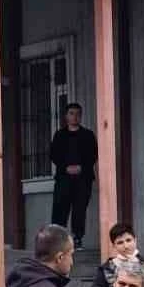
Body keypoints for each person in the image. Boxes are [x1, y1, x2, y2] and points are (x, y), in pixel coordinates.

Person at [50, 103, 98, 248]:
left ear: (81, 116)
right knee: (60, 208)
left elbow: (93, 154)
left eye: (77, 114)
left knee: (79, 209)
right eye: (71, 113)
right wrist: (66, 167)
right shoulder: (59, 135)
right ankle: (59, 240)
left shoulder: (88, 135)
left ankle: (77, 238)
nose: (75, 117)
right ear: (66, 116)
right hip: (64, 178)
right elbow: (53, 155)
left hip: (83, 179)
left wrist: (81, 167)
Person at [90, 222, 141, 287]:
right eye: (120, 242)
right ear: (114, 245)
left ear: (135, 240)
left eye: (128, 240)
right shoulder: (106, 269)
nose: (126, 246)